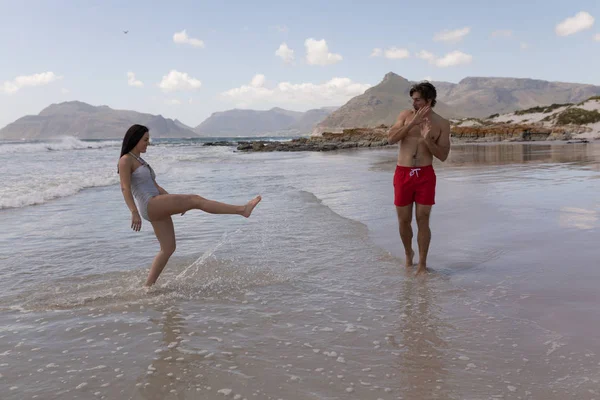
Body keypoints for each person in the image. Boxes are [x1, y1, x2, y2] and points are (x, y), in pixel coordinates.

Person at [117, 124, 262, 287]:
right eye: (145, 140)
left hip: (157, 202)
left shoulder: (139, 160)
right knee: (195, 200)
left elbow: (155, 186)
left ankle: (147, 287)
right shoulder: (125, 160)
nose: (147, 143)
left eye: (147, 139)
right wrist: (133, 212)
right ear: (135, 139)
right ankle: (242, 210)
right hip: (149, 204)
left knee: (168, 248)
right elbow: (125, 188)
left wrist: (174, 203)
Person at [386, 82, 451, 275]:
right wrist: (412, 124)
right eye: (412, 99)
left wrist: (428, 140)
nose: (413, 103)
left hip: (425, 174)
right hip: (403, 173)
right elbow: (391, 138)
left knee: (423, 219)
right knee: (403, 220)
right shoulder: (405, 116)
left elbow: (443, 155)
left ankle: (422, 264)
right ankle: (408, 254)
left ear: (429, 100)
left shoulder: (441, 123)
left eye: (417, 99)